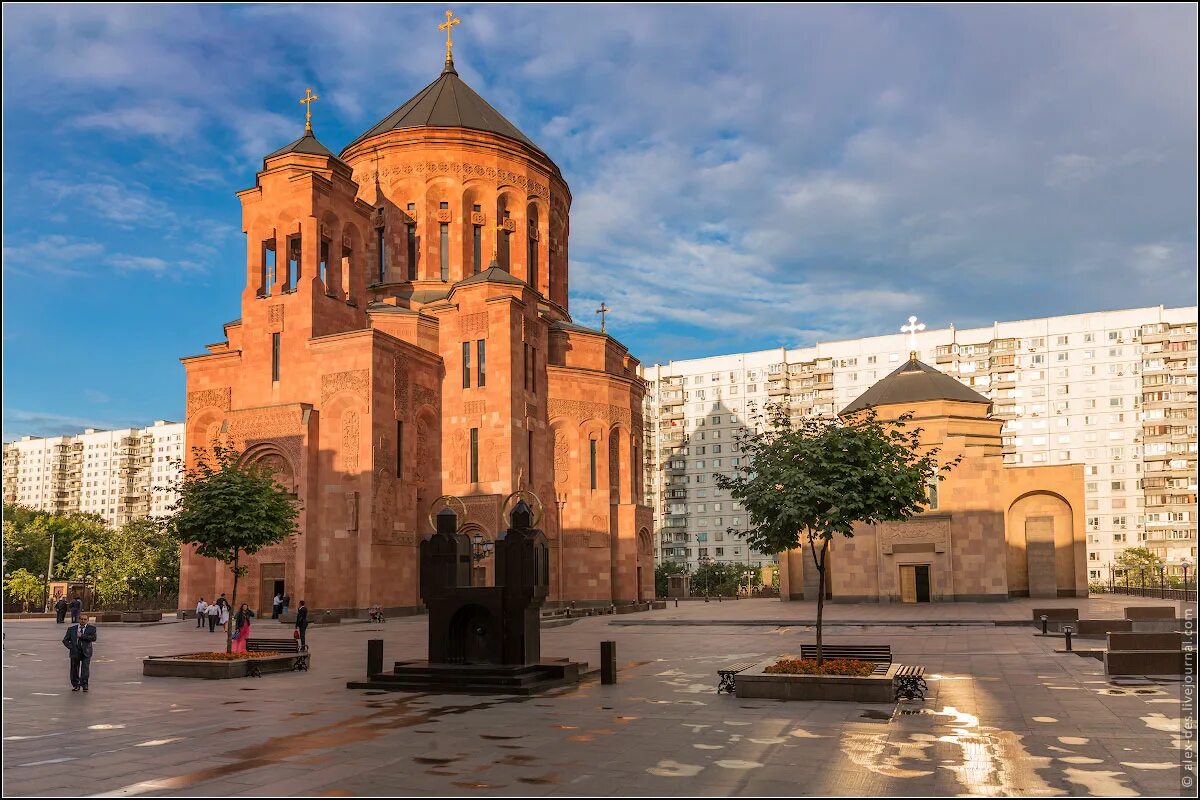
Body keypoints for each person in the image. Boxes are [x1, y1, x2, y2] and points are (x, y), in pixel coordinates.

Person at [62, 613, 97, 692]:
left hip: (86, 651)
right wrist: (71, 647)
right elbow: (65, 640)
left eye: (85, 619)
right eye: (81, 619)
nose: (83, 621)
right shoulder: (72, 629)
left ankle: (84, 685)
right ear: (79, 620)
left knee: (85, 669)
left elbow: (93, 638)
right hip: (75, 651)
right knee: (74, 669)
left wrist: (82, 636)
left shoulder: (92, 628)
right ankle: (76, 685)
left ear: (87, 620)